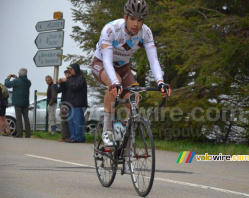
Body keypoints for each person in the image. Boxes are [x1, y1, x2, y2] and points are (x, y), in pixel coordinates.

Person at [91, 0, 171, 147]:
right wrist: (114, 82)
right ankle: (107, 130)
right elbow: (108, 61)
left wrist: (160, 82)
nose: (136, 24)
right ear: (125, 17)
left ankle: (127, 140)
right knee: (116, 83)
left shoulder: (145, 33)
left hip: (124, 66)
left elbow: (153, 61)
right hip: (102, 63)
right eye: (133, 19)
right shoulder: (111, 29)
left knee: (134, 95)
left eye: (140, 20)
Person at [61, 63, 88, 143]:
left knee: (78, 121)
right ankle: (73, 137)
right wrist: (62, 82)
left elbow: (76, 87)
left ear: (75, 69)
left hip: (78, 103)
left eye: (71, 69)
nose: (70, 71)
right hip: (70, 103)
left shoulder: (81, 78)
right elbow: (64, 89)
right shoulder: (71, 79)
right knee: (71, 122)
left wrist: (67, 81)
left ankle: (79, 138)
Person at [5, 68, 31, 138]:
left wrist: (8, 78)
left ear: (20, 73)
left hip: (18, 103)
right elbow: (22, 83)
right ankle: (28, 134)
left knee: (18, 118)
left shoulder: (16, 81)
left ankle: (20, 134)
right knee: (26, 118)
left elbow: (7, 84)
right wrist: (17, 78)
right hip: (25, 102)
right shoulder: (28, 82)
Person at [53, 70, 71, 142]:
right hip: (71, 103)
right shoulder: (72, 81)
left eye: (66, 74)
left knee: (64, 120)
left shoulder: (65, 83)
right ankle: (70, 136)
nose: (66, 75)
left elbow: (57, 90)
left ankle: (64, 137)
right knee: (70, 120)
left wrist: (55, 84)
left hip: (65, 103)